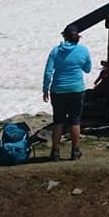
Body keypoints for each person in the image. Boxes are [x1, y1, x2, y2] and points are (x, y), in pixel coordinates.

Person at [43, 24, 92, 161]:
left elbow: (48, 72)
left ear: (64, 37)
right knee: (75, 121)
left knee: (58, 121)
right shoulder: (83, 50)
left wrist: (45, 89)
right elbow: (87, 69)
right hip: (76, 89)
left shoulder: (55, 51)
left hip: (58, 90)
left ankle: (55, 152)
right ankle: (75, 152)